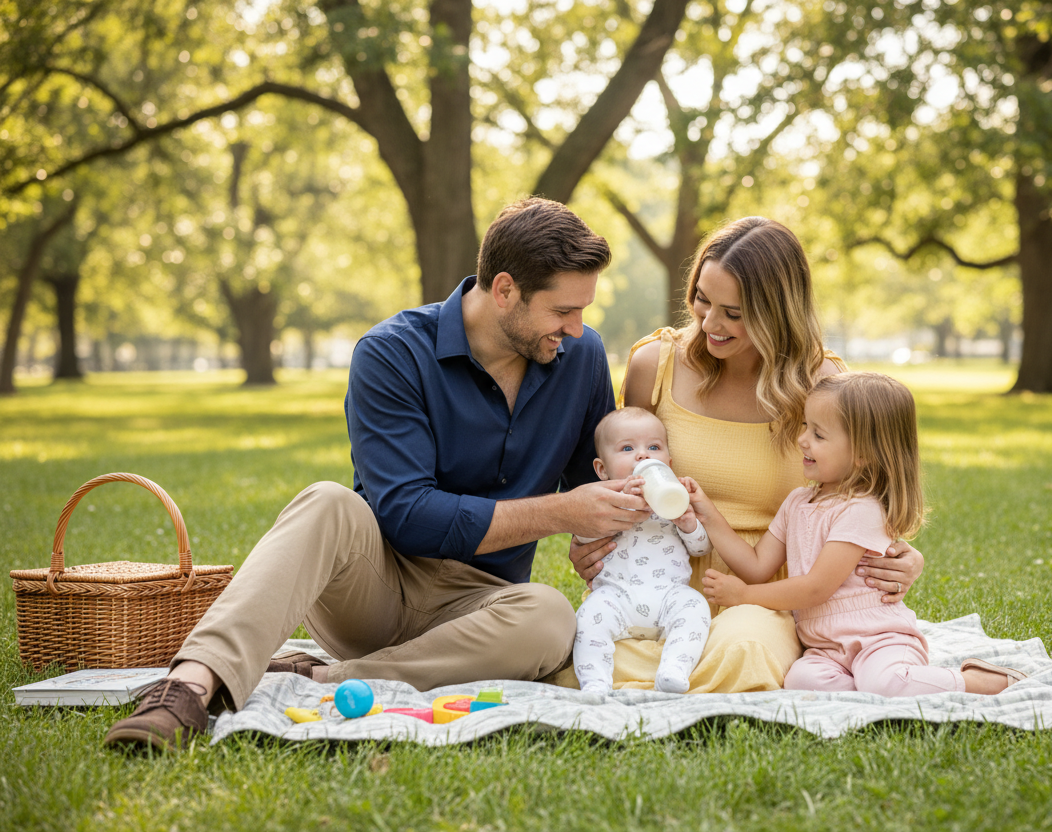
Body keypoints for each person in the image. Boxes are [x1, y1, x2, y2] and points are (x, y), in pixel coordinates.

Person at [104, 197, 650, 750]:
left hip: (484, 607)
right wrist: (562, 512)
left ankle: (321, 678)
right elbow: (408, 516)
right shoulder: (391, 353)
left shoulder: (580, 359)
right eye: (563, 312)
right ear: (505, 289)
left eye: (583, 310)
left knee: (551, 617)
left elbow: (595, 484)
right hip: (376, 585)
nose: (577, 330)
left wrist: (600, 532)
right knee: (326, 501)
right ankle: (186, 688)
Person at [563, 217, 928, 693]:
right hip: (654, 579)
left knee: (743, 650)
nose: (710, 324)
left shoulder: (823, 382)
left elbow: (859, 495)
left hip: (763, 593)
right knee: (579, 651)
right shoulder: (655, 364)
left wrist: (904, 556)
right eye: (702, 299)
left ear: (778, 311)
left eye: (733, 313)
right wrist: (586, 541)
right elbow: (620, 471)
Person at [695, 372, 1027, 695]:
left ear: (863, 454)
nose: (802, 440)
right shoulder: (798, 502)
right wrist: (706, 512)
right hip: (825, 646)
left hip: (879, 638)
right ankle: (880, 686)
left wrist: (743, 595)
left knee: (885, 682)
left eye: (819, 435)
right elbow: (756, 566)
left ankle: (978, 681)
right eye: (805, 427)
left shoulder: (861, 510)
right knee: (802, 681)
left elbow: (815, 589)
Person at [573, 407, 712, 694]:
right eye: (627, 448)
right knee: (588, 618)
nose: (643, 456)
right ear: (602, 470)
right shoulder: (606, 505)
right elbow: (583, 538)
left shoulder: (672, 504)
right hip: (615, 596)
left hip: (669, 596)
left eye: (653, 447)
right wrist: (619, 503)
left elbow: (701, 549)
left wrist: (688, 523)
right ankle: (595, 681)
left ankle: (674, 669)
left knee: (695, 606)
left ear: (668, 463)